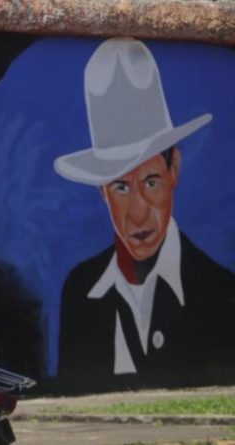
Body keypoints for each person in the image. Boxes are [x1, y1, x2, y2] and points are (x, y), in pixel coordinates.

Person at [55, 37, 235, 389]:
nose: (138, 215)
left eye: (151, 182)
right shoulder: (80, 291)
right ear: (101, 190)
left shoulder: (219, 291)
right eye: (121, 187)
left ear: (174, 170)